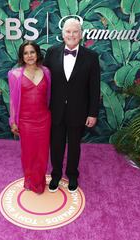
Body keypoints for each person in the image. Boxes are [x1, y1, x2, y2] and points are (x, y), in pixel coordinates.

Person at [44, 18, 101, 193]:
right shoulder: (51, 53)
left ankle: (73, 175)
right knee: (56, 144)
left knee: (75, 145)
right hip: (56, 110)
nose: (71, 35)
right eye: (68, 31)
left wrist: (92, 113)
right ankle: (55, 174)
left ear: (81, 34)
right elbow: (45, 82)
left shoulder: (91, 57)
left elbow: (94, 87)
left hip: (79, 110)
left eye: (75, 31)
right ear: (62, 34)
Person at [8, 41, 51, 194]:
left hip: (44, 120)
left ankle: (39, 183)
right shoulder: (14, 74)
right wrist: (13, 121)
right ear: (22, 56)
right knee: (29, 153)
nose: (29, 56)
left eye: (32, 52)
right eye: (25, 53)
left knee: (42, 153)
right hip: (26, 122)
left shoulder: (46, 72)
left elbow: (49, 96)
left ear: (37, 53)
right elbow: (13, 100)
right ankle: (30, 181)